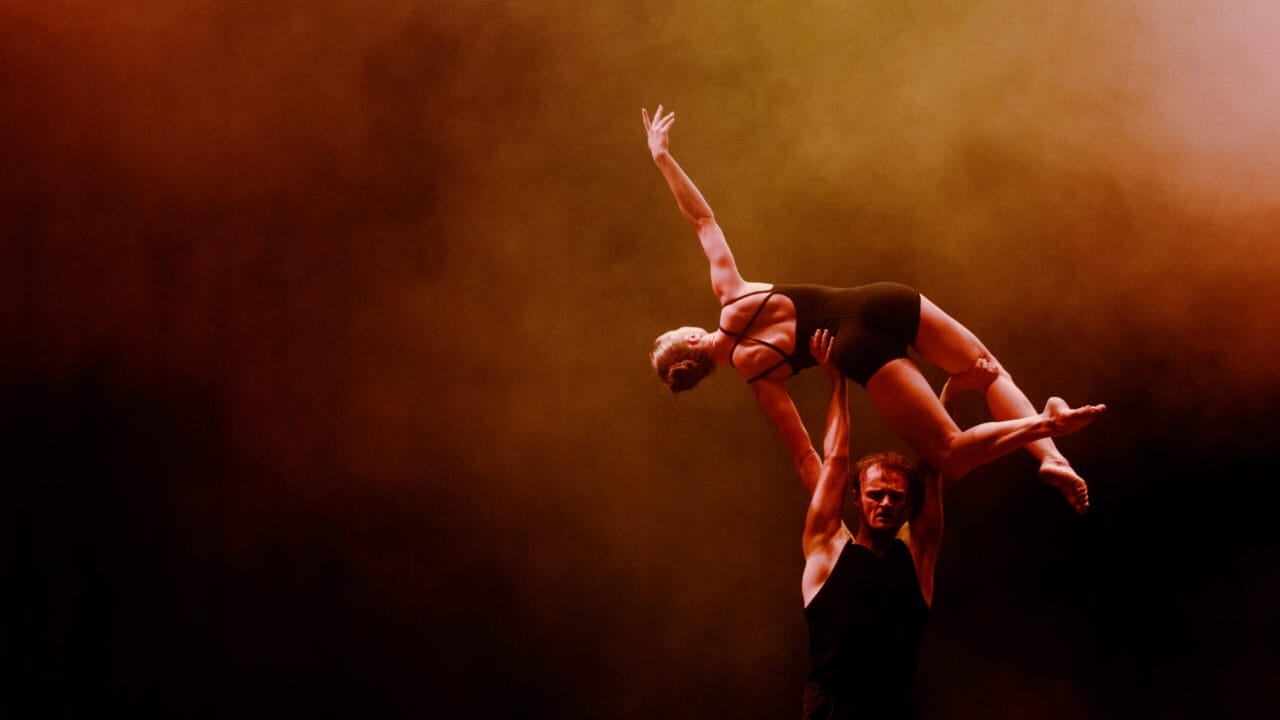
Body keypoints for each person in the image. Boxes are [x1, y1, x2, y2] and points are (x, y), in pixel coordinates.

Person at [642, 104, 1105, 513]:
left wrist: (830, 517)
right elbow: (703, 221)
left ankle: (1046, 424)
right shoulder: (733, 298)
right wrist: (663, 158)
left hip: (859, 351)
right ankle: (1053, 457)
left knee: (950, 455)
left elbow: (807, 454)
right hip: (882, 298)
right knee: (991, 371)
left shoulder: (759, 375)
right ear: (692, 338)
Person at [799, 329, 990, 719]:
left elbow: (933, 466)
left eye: (896, 497)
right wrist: (838, 381)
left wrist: (949, 395)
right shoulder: (827, 549)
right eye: (875, 494)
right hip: (829, 710)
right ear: (857, 498)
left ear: (906, 505)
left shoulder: (916, 556)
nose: (885, 502)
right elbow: (835, 458)